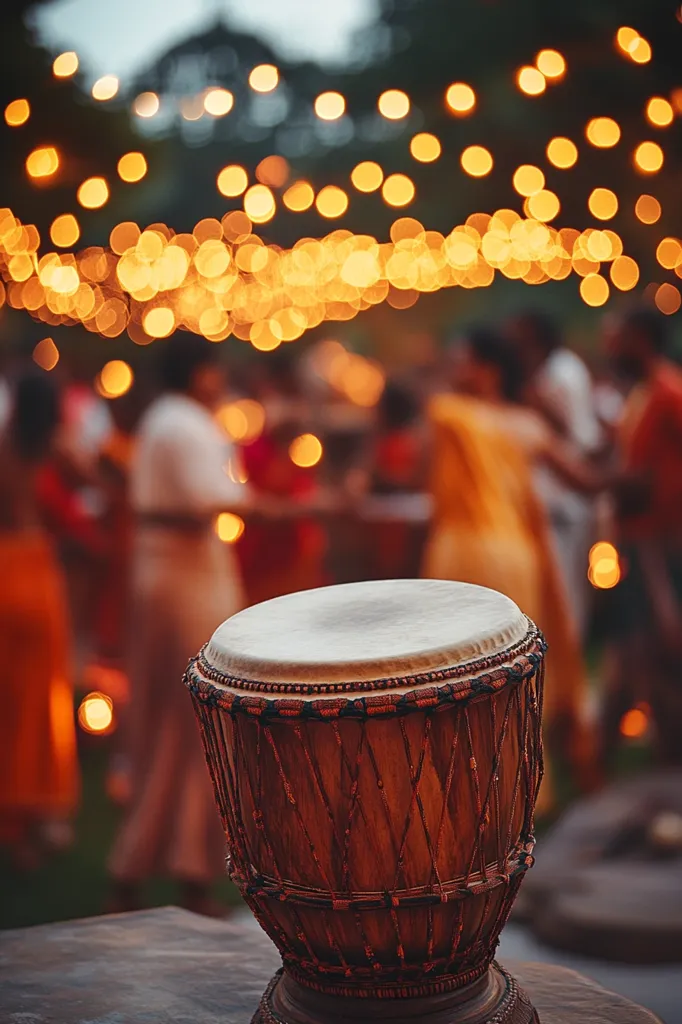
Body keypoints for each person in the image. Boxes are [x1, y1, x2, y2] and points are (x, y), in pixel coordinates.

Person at [421, 327, 601, 815]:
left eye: (463, 359)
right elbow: (584, 480)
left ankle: (460, 796)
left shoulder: (450, 414)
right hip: (516, 559)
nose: (456, 368)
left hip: (459, 558)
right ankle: (521, 795)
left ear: (486, 367)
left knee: (451, 680)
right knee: (513, 677)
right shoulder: (527, 424)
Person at [108, 336, 248, 915]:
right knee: (204, 717)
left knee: (174, 719)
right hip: (186, 574)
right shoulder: (187, 422)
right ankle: (182, 871)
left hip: (168, 567)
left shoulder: (164, 418)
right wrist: (304, 506)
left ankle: (146, 869)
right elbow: (213, 498)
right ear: (200, 373)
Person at [0, 368, 78, 868]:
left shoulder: (4, 451)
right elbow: (75, 512)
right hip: (34, 574)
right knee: (37, 704)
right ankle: (26, 819)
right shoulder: (53, 455)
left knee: (8, 702)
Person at [601, 306, 682, 767]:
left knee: (658, 658)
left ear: (642, 340)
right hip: (639, 546)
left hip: (663, 549)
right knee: (641, 659)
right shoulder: (643, 394)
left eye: (620, 337)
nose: (611, 346)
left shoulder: (669, 392)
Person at [506, 311, 602, 638]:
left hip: (565, 505)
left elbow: (570, 433)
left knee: (566, 605)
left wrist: (534, 401)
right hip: (558, 503)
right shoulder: (557, 367)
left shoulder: (560, 371)